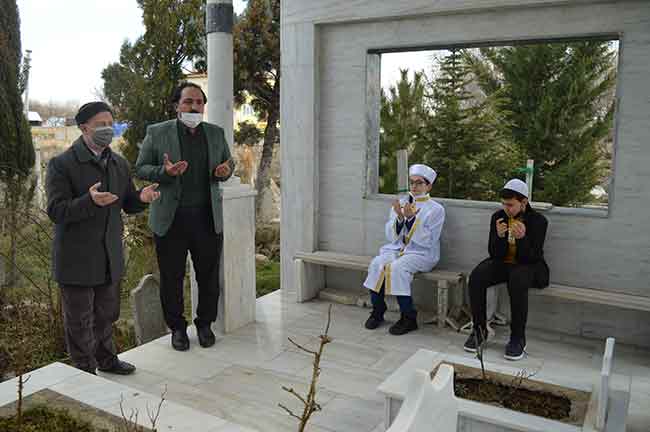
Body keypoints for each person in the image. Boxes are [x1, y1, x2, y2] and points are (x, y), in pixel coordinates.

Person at [46, 102, 160, 375]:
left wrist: (142, 198)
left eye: (110, 123)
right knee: (79, 321)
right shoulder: (62, 165)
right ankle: (84, 370)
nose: (107, 129)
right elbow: (56, 211)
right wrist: (89, 201)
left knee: (106, 316)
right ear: (84, 127)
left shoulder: (118, 164)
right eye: (100, 125)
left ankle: (107, 361)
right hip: (76, 259)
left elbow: (128, 203)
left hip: (109, 256)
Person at [135, 82, 234, 351]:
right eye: (188, 101)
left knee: (208, 276)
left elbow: (228, 162)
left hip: (206, 217)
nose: (194, 107)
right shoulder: (157, 133)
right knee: (172, 276)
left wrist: (225, 170)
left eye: (199, 102)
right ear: (177, 105)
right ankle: (177, 328)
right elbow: (141, 168)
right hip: (171, 219)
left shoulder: (215, 133)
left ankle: (204, 324)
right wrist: (165, 173)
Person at [463, 179, 549, 361]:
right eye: (503, 204)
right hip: (504, 263)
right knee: (477, 276)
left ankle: (518, 337)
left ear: (524, 202)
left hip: (529, 266)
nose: (506, 208)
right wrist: (500, 237)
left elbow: (532, 257)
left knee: (517, 280)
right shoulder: (498, 217)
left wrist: (523, 238)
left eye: (510, 205)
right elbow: (493, 253)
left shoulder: (539, 221)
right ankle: (479, 330)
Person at [363, 164, 445, 335]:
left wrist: (411, 220)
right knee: (377, 263)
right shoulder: (401, 203)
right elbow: (390, 235)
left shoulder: (436, 210)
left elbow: (429, 240)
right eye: (412, 182)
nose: (414, 187)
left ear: (429, 186)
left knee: (398, 268)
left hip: (422, 253)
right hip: (398, 248)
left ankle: (409, 317)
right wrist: (400, 219)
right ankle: (377, 311)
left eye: (419, 183)